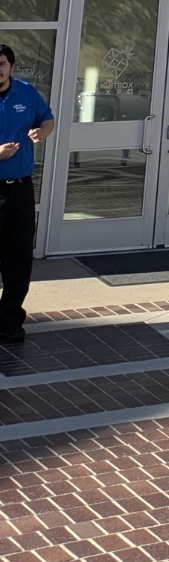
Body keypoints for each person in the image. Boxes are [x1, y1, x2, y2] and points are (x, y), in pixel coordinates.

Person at [0, 44, 53, 343]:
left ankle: (9, 321)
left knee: (18, 258)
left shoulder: (26, 93)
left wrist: (43, 131)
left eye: (2, 63)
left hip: (20, 189)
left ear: (11, 66)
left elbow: (47, 118)